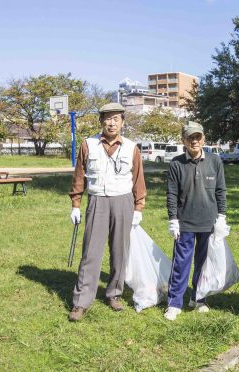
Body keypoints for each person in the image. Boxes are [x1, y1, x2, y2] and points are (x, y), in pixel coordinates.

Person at [67, 102, 147, 321]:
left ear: (122, 122)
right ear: (101, 121)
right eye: (107, 119)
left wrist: (138, 207)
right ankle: (81, 301)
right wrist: (76, 204)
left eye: (116, 119)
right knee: (91, 252)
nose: (111, 123)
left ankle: (114, 294)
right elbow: (79, 177)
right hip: (97, 201)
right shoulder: (88, 144)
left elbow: (138, 179)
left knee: (120, 251)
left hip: (123, 201)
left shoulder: (132, 147)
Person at [164, 121, 227, 321]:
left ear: (204, 139)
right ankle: (174, 302)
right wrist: (173, 219)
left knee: (203, 264)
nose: (195, 141)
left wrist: (222, 216)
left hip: (208, 222)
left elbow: (220, 190)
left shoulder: (215, 161)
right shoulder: (176, 163)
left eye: (198, 137)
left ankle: (199, 299)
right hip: (185, 223)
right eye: (190, 137)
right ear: (183, 140)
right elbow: (172, 194)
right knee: (181, 263)